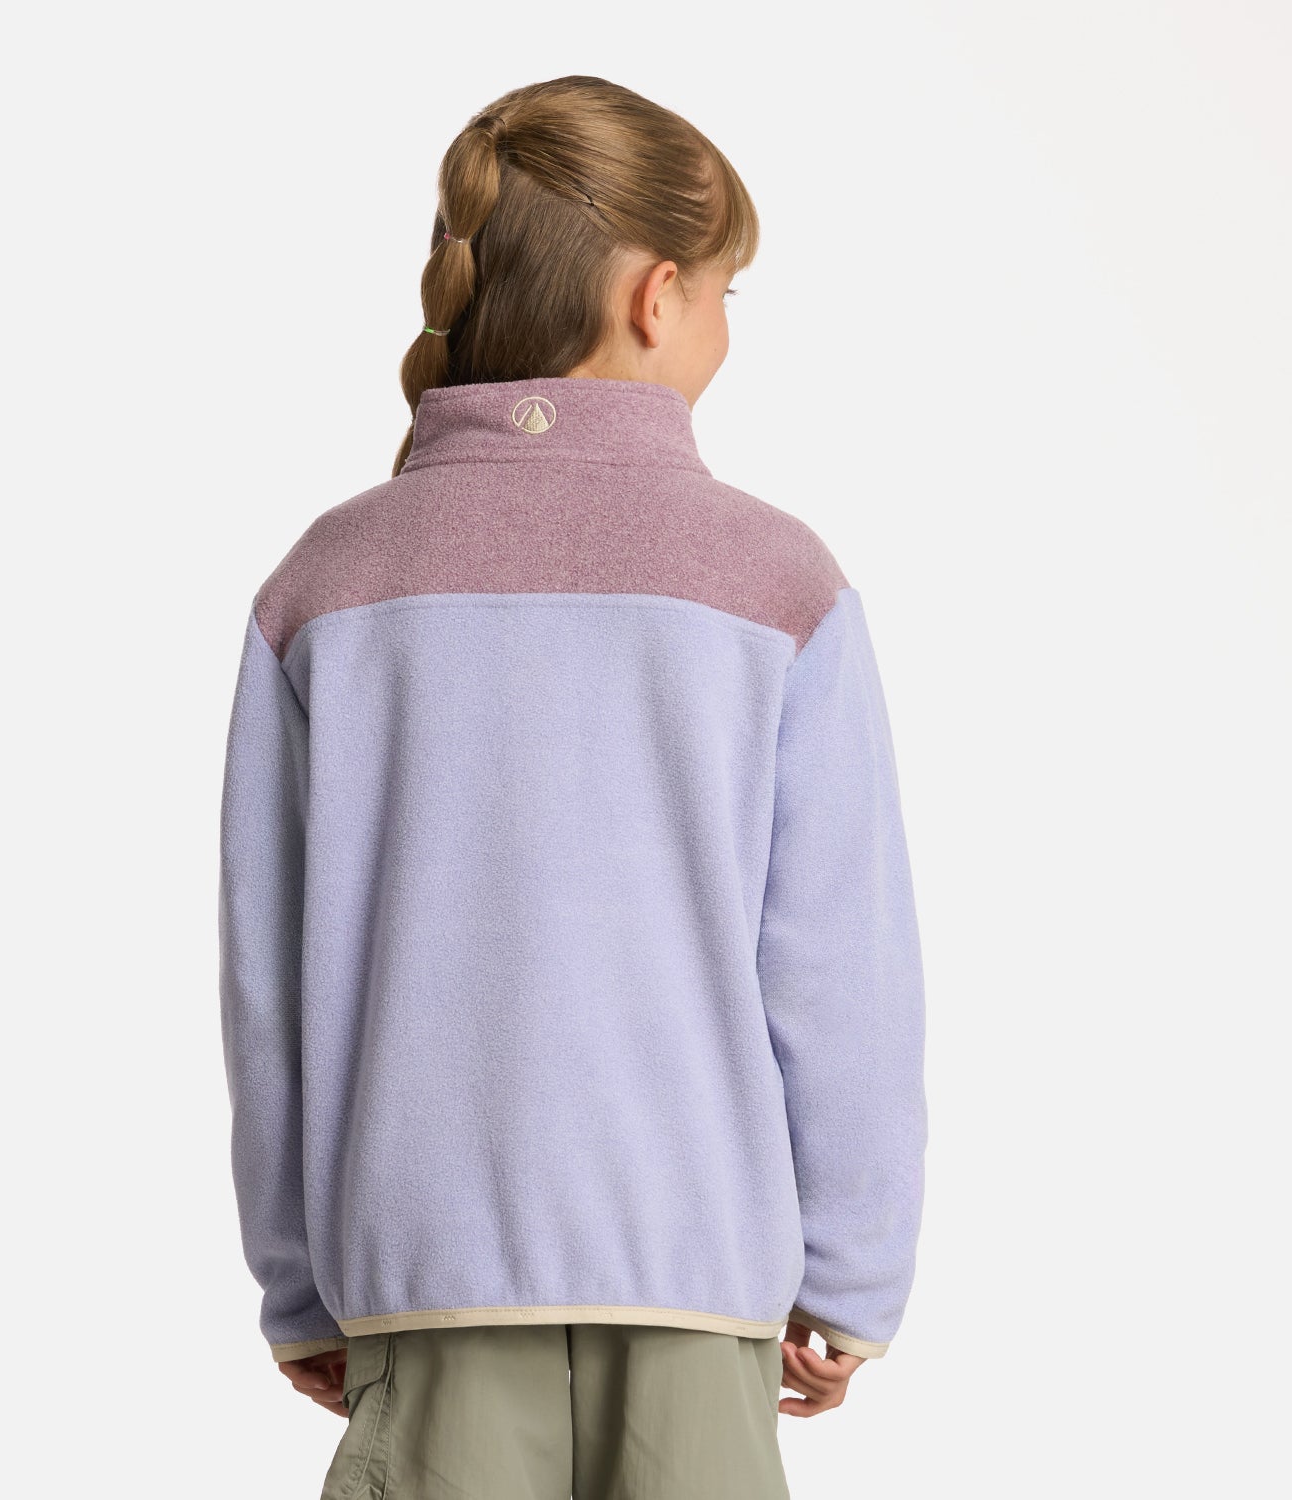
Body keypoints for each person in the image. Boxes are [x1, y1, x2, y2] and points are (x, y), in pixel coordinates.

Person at [218, 74, 927, 1500]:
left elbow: (271, 982)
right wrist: (854, 1270)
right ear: (659, 298)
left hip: (420, 1272)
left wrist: (300, 1282)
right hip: (697, 1271)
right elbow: (838, 964)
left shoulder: (328, 581)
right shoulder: (778, 582)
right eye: (727, 292)